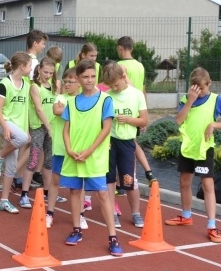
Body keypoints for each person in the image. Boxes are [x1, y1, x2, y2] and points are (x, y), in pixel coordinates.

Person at [165, 67, 221, 243]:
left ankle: (212, 226)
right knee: (184, 182)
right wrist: (190, 100)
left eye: (202, 88)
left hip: (204, 150)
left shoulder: (216, 100)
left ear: (209, 84)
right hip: (188, 147)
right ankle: (186, 215)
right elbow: (178, 120)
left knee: (207, 185)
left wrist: (214, 125)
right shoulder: (187, 98)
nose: (199, 91)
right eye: (195, 88)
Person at [61, 60, 123, 256]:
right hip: (74, 155)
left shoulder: (106, 100)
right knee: (74, 191)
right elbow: (66, 129)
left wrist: (89, 151)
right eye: (85, 77)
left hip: (94, 157)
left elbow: (106, 129)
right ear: (78, 79)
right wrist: (70, 149)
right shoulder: (71, 102)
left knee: (103, 194)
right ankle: (77, 229)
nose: (89, 80)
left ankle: (113, 237)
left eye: (92, 76)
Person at [102, 62, 149, 230]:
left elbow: (144, 120)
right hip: (110, 142)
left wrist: (128, 120)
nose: (114, 88)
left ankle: (135, 212)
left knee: (129, 180)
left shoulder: (136, 95)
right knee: (110, 180)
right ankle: (112, 213)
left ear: (123, 77)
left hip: (127, 142)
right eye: (111, 85)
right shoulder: (107, 96)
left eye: (116, 84)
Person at [0, 52, 33, 213]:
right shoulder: (5, 83)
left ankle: (4, 200)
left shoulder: (26, 85)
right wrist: (6, 128)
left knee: (12, 166)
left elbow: (25, 110)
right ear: (22, 66)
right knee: (21, 139)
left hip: (17, 126)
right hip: (1, 121)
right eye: (29, 65)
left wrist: (26, 129)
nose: (31, 68)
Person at [116, 36, 156, 185]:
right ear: (131, 48)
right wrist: (144, 111)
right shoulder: (140, 65)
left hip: (124, 108)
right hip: (138, 108)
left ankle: (129, 178)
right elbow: (143, 89)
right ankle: (145, 172)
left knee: (126, 144)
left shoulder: (119, 65)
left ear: (120, 48)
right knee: (131, 143)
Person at [17, 57, 56, 208]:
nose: (48, 75)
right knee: (33, 160)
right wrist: (49, 127)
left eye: (51, 73)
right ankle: (24, 194)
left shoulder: (53, 86)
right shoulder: (35, 87)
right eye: (45, 72)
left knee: (49, 162)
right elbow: (39, 109)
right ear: (39, 69)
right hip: (39, 127)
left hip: (51, 127)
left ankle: (48, 192)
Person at [45, 67, 78, 228]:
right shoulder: (60, 98)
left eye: (71, 82)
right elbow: (57, 110)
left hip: (77, 148)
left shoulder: (82, 100)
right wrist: (77, 112)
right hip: (60, 147)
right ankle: (49, 213)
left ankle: (80, 216)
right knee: (55, 181)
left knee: (76, 185)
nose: (67, 84)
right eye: (65, 81)